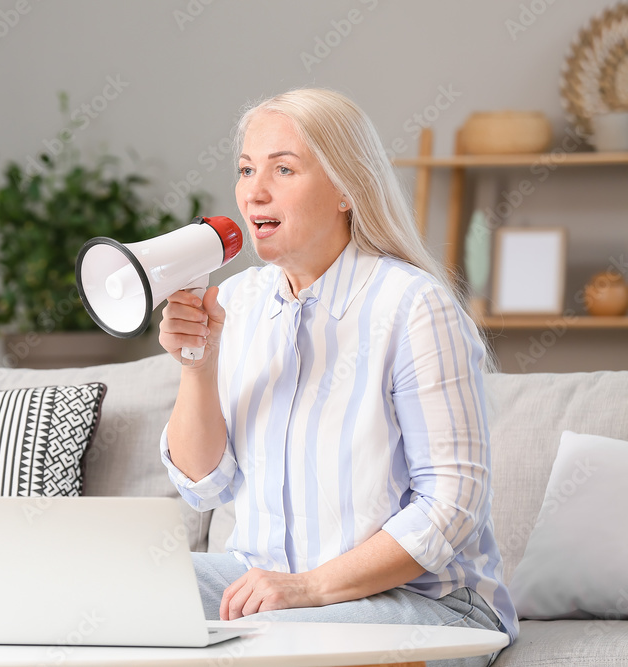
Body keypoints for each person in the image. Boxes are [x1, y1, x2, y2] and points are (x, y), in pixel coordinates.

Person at [157, 88, 517, 666]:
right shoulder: (240, 302)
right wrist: (197, 369)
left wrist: (306, 590)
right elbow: (204, 486)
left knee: (280, 641)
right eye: (246, 169)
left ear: (347, 189)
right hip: (269, 588)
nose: (255, 189)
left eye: (284, 169)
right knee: (119, 592)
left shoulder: (412, 306)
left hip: (428, 602)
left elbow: (452, 505)